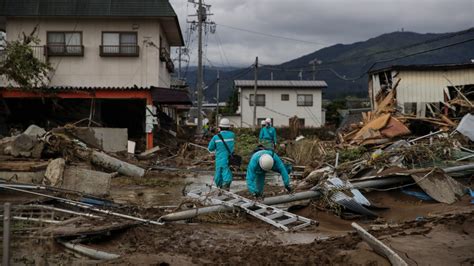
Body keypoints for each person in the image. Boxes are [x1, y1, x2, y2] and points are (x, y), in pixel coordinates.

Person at [208, 118, 235, 189]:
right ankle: (226, 188)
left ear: (219, 127)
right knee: (227, 174)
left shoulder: (216, 137)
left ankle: (220, 188)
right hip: (229, 159)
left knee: (218, 175)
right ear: (228, 127)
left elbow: (210, 148)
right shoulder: (232, 135)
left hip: (219, 159)